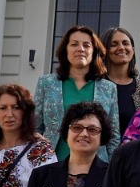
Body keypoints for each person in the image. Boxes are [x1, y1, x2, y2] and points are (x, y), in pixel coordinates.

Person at [36, 25, 120, 161]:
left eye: (86, 45)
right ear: (65, 50)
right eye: (74, 44)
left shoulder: (108, 88)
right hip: (52, 162)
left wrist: (111, 167)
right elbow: (35, 127)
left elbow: (113, 135)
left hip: (96, 165)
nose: (80, 49)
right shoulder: (46, 83)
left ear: (94, 51)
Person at [101, 27, 140, 139]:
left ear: (132, 49)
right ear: (105, 50)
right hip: (99, 153)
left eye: (125, 43)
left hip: (133, 153)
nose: (121, 48)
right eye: (114, 44)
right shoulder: (96, 85)